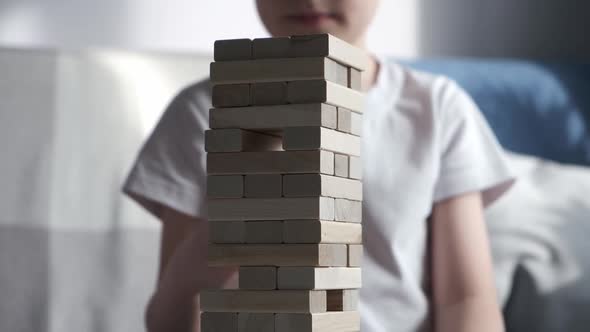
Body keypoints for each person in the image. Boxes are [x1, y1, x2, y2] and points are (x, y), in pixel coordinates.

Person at [122, 0, 515, 331]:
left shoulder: (437, 108)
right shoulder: (201, 112)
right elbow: (172, 314)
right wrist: (233, 221)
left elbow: (467, 298)